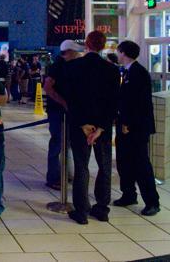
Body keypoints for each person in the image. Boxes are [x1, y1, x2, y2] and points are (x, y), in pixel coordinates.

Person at [64, 31, 120, 224]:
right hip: (102, 127)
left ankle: (81, 210)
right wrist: (101, 128)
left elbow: (70, 98)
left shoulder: (73, 67)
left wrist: (83, 124)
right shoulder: (112, 70)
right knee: (104, 167)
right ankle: (102, 208)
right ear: (103, 46)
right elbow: (114, 102)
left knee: (82, 166)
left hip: (80, 125)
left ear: (87, 44)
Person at [114, 40, 160, 216]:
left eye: (119, 52)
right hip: (125, 125)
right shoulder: (126, 72)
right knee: (124, 162)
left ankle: (152, 202)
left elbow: (139, 103)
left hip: (136, 127)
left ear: (124, 53)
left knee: (141, 165)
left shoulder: (138, 73)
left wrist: (128, 123)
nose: (117, 55)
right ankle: (128, 194)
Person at [43, 40, 82, 190]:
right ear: (70, 52)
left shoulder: (68, 66)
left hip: (64, 111)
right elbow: (48, 87)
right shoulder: (57, 66)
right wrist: (63, 103)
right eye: (76, 52)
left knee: (66, 143)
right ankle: (54, 177)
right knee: (57, 143)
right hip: (58, 112)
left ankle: (66, 173)